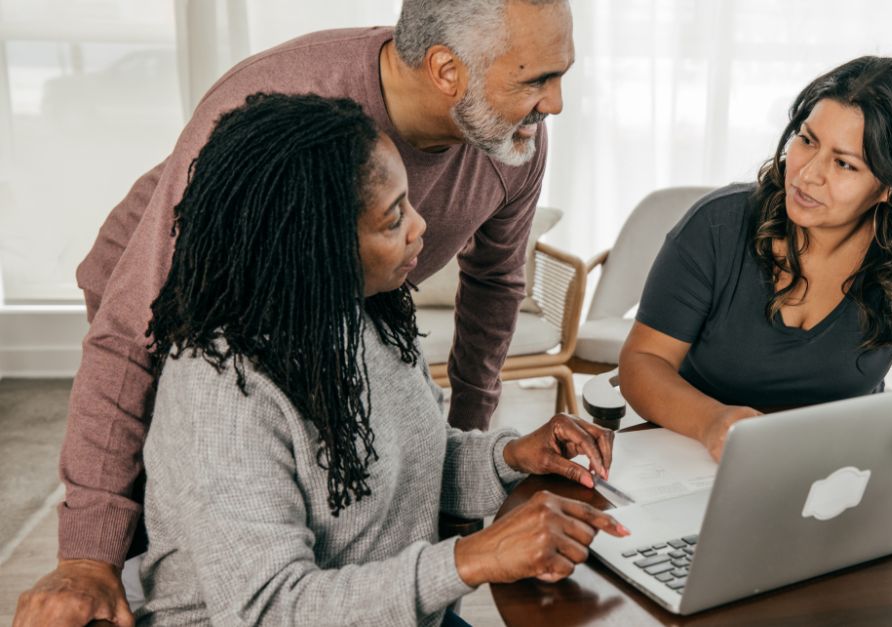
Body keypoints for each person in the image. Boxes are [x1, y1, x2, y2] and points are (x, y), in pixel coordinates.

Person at [15, 1, 575, 625]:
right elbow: (127, 336)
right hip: (171, 316)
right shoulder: (223, 381)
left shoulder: (379, 313)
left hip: (329, 308)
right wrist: (88, 559)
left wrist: (495, 456)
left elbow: (491, 292)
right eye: (536, 80)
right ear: (447, 71)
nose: (553, 105)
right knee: (221, 540)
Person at [138, 92, 621, 625]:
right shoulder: (222, 385)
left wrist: (509, 458)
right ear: (314, 244)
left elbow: (404, 472)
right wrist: (472, 558)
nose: (421, 227)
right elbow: (268, 608)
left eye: (409, 203)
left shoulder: (366, 316)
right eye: (394, 220)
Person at [619, 56, 892, 462]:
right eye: (807, 140)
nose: (806, 174)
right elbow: (643, 362)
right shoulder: (716, 226)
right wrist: (711, 421)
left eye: (843, 163)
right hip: (696, 454)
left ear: (890, 187)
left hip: (842, 471)